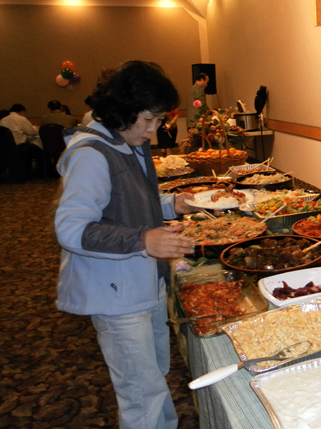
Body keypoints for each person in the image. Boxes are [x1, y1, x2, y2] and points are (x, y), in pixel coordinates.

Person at [54, 60, 196, 429]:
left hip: (143, 281)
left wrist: (171, 204)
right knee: (140, 393)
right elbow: (71, 229)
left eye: (159, 120)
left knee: (154, 376)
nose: (153, 129)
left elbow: (128, 202)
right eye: (148, 119)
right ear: (122, 110)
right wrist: (142, 239)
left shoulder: (127, 143)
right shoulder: (91, 154)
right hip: (116, 294)